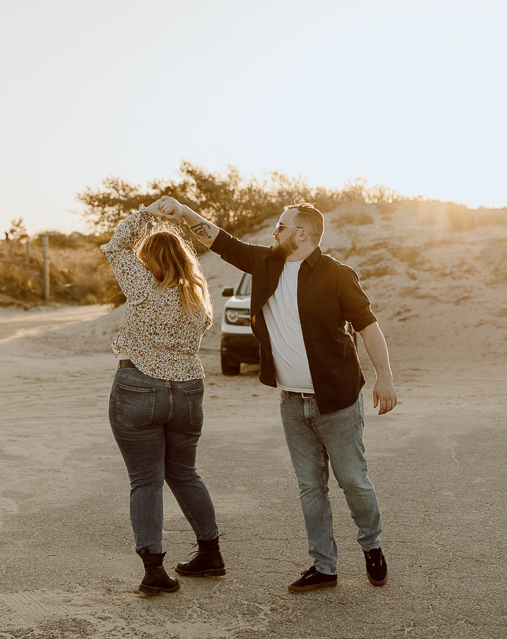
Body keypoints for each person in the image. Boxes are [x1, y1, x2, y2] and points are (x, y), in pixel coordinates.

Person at [155, 196, 397, 593]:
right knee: (309, 487)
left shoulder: (337, 275)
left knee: (353, 481)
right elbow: (220, 240)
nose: (274, 232)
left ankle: (371, 545)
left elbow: (369, 326)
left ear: (302, 233)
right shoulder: (266, 263)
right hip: (291, 402)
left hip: (337, 402)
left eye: (281, 227)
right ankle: (324, 566)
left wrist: (384, 378)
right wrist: (183, 212)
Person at [101, 201, 226, 595]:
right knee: (184, 473)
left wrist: (147, 213)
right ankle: (210, 553)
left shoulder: (142, 287)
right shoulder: (199, 300)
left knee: (146, 481)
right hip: (188, 392)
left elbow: (116, 247)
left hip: (140, 386)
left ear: (149, 260)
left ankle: (154, 571)